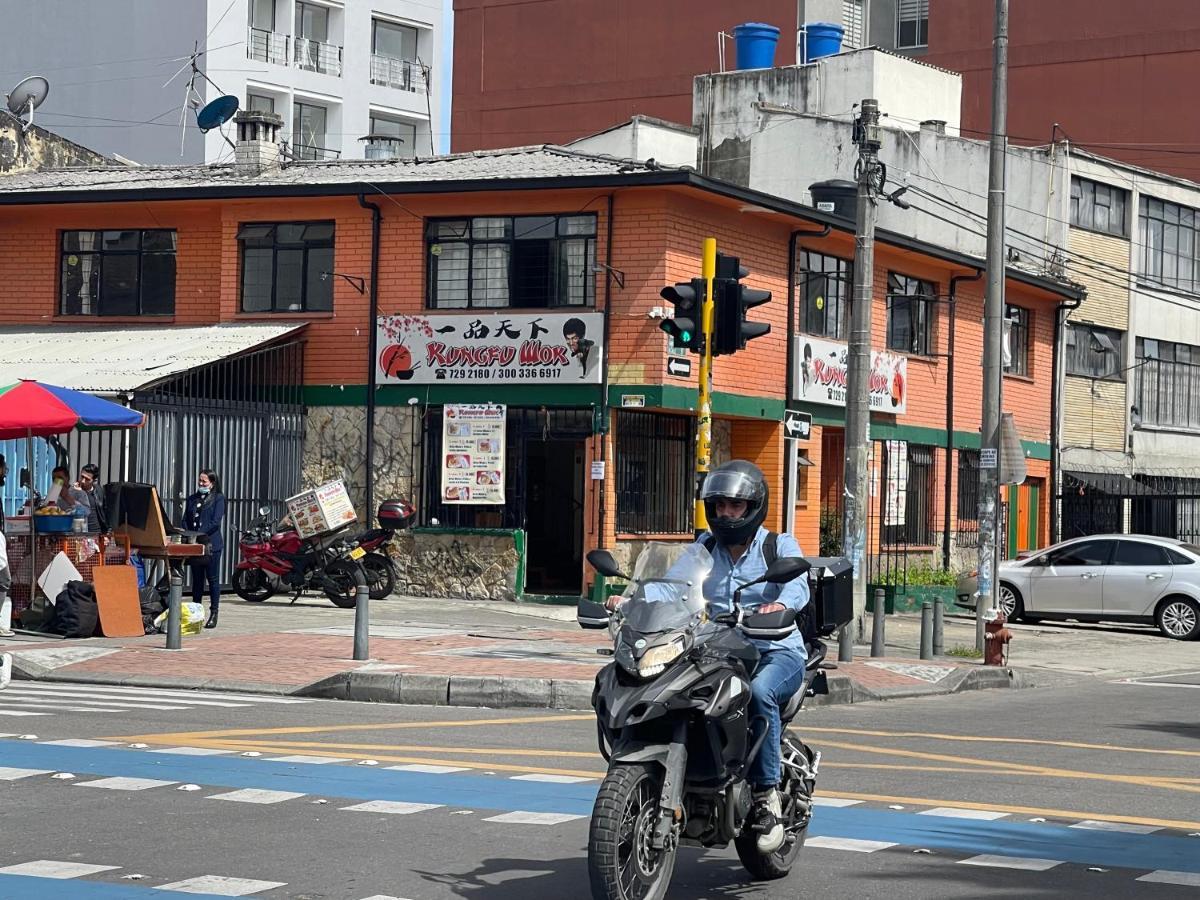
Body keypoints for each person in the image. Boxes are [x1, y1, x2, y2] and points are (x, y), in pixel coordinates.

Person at [609, 459, 810, 855]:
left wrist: (778, 607)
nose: (725, 514)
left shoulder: (778, 546)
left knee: (759, 692)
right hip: (717, 646)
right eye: (718, 506)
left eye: (734, 506)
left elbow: (797, 587)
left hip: (774, 649)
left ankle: (767, 798)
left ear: (753, 507)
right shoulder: (704, 547)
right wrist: (633, 601)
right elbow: (672, 588)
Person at [183, 469, 226, 629]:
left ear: (212, 483)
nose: (201, 484)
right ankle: (196, 613)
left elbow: (215, 522)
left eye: (204, 482)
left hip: (211, 544)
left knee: (212, 579)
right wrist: (188, 533)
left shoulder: (218, 498)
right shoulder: (192, 499)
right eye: (200, 481)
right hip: (195, 545)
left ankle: (214, 612)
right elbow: (185, 519)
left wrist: (200, 533)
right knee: (197, 580)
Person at [72, 463, 107, 532]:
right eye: (82, 477)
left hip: (97, 532)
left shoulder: (99, 490)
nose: (83, 481)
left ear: (94, 481)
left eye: (87, 479)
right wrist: (77, 493)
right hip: (79, 533)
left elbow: (104, 512)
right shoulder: (73, 490)